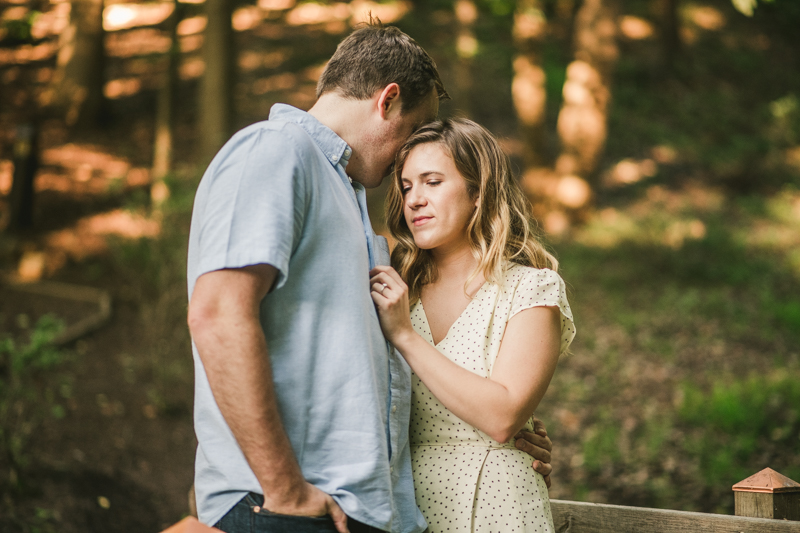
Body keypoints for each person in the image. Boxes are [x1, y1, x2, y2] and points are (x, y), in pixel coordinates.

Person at [186, 22, 554, 533]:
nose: (409, 156)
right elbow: (217, 314)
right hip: (290, 505)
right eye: (414, 128)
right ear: (388, 100)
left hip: (357, 508)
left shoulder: (345, 192)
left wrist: (504, 441)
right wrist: (282, 487)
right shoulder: (275, 152)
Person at [370, 118, 576, 533]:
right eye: (407, 186)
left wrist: (405, 337)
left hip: (499, 505)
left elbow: (503, 417)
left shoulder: (531, 288)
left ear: (477, 192)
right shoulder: (393, 289)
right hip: (407, 507)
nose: (414, 200)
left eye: (432, 181)